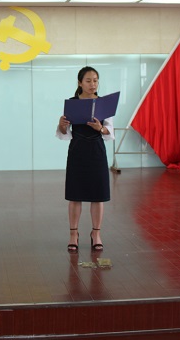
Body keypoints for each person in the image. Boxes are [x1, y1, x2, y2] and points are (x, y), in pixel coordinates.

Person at [57, 66, 114, 253]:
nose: (92, 84)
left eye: (95, 80)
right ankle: (73, 234)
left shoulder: (103, 104)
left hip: (97, 150)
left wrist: (100, 128)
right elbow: (64, 132)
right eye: (88, 81)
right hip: (77, 150)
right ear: (80, 83)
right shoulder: (72, 103)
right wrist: (61, 125)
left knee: (98, 195)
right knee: (75, 195)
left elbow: (109, 131)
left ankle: (96, 234)